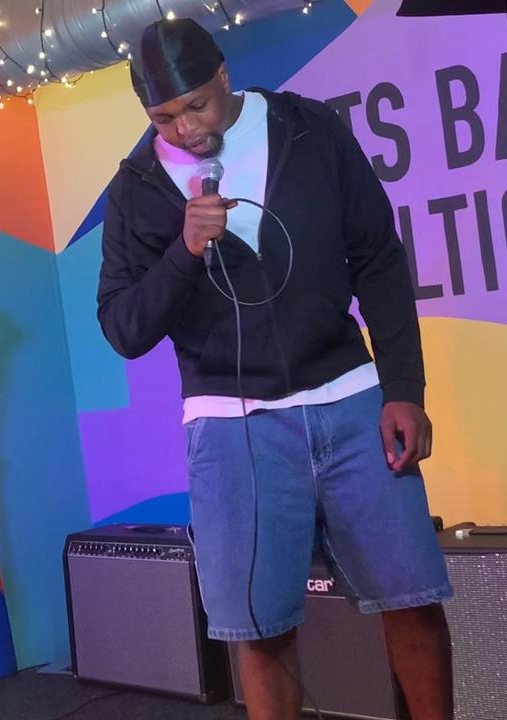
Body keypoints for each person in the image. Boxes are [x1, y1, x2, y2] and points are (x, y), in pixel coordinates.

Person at [96, 17, 453, 720]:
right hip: (232, 427)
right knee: (257, 630)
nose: (186, 129)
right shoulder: (136, 189)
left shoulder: (308, 129)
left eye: (197, 105)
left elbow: (378, 258)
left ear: (223, 75)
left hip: (351, 399)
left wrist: (404, 388)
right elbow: (124, 329)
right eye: (163, 118)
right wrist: (183, 253)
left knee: (412, 600)